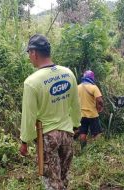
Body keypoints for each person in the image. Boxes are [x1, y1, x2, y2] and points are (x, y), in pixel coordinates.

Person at [19, 34, 81, 190]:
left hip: (48, 137)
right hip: (67, 134)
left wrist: (24, 141)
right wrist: (76, 124)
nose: (29, 57)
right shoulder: (68, 73)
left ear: (34, 53)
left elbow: (29, 116)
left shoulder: (32, 82)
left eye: (29, 53)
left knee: (52, 183)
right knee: (63, 177)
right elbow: (75, 103)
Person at [78, 70, 104, 149]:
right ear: (92, 78)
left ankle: (83, 149)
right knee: (97, 133)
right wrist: (101, 107)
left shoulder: (77, 87)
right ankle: (96, 149)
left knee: (83, 133)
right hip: (92, 114)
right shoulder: (94, 87)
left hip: (81, 114)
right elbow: (99, 100)